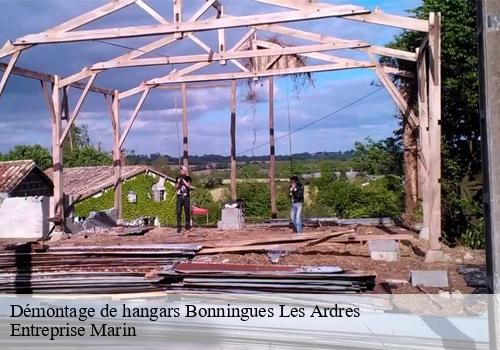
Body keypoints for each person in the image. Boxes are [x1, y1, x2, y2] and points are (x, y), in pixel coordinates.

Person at [175, 166, 192, 233]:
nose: (180, 171)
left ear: (185, 171)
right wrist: (179, 182)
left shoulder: (188, 178)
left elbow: (188, 186)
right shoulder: (177, 178)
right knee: (178, 212)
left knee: (187, 211)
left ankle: (187, 225)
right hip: (179, 197)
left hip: (186, 197)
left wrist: (183, 180)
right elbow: (176, 188)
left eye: (182, 170)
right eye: (180, 170)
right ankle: (178, 226)